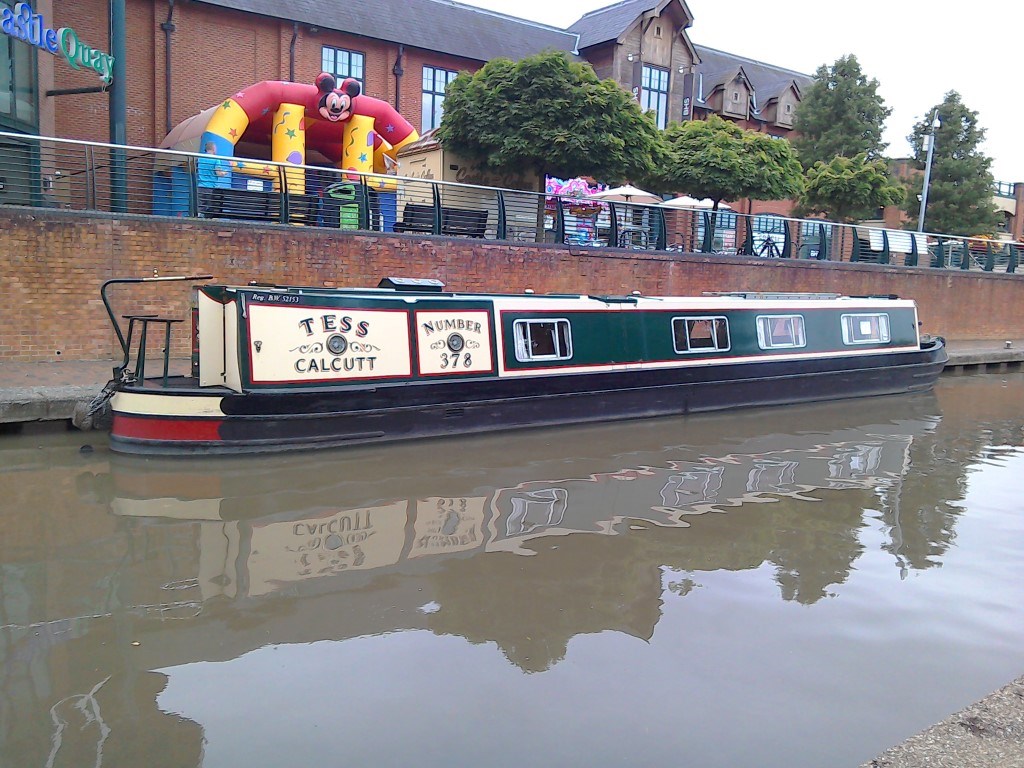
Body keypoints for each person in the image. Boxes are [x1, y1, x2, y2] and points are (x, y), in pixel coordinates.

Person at [196, 141, 230, 216]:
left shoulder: (200, 158)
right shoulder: (216, 159)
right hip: (211, 187)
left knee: (200, 208)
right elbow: (218, 173)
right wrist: (224, 173)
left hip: (201, 186)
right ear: (213, 148)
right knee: (210, 208)